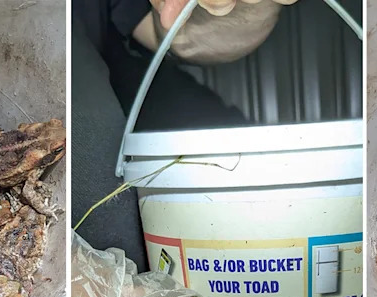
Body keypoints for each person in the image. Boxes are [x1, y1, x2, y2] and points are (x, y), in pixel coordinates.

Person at [70, 0, 291, 272]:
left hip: (110, 47)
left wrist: (251, 7)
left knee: (235, 137)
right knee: (106, 214)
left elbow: (173, 30)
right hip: (73, 50)